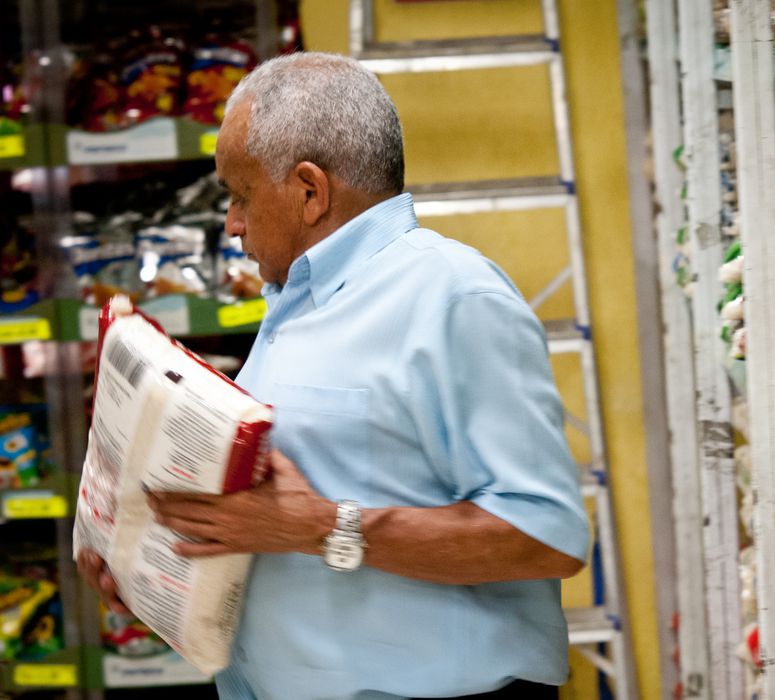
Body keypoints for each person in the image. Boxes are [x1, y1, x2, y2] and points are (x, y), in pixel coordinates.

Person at [77, 52, 591, 700]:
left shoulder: (451, 297)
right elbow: (280, 526)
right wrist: (150, 566)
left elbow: (545, 538)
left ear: (310, 191)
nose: (232, 224)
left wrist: (320, 527)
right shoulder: (293, 306)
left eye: (239, 196)